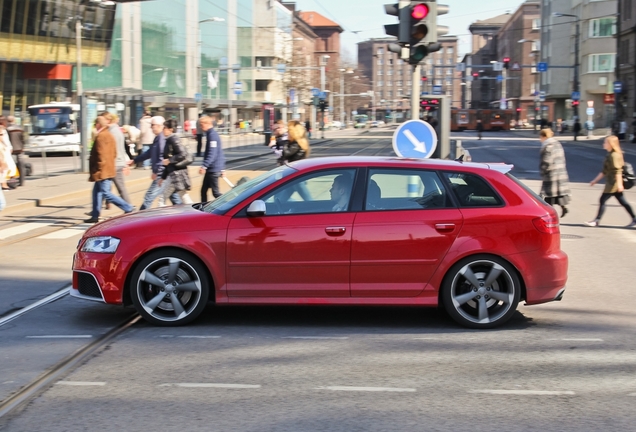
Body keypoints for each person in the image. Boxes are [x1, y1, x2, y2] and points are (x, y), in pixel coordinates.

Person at [85, 116, 135, 223]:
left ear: (98, 125)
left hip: (102, 170)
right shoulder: (109, 135)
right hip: (107, 169)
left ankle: (128, 207)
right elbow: (114, 153)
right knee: (97, 192)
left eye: (95, 125)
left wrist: (99, 167)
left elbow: (102, 156)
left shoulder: (102, 136)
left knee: (105, 193)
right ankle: (95, 215)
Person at [129, 116, 182, 210]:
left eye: (152, 125)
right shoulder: (158, 138)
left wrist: (157, 172)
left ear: (159, 126)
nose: (151, 127)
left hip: (162, 174)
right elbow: (150, 153)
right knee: (175, 198)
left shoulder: (161, 139)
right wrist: (135, 160)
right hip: (166, 174)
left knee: (149, 197)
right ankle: (185, 215)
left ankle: (141, 219)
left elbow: (163, 158)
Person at [584, 135, 636, 227]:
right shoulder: (610, 154)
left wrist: (619, 185)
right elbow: (605, 171)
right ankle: (635, 219)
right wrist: (595, 181)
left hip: (613, 183)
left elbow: (618, 171)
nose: (604, 144)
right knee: (623, 202)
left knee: (602, 200)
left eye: (605, 142)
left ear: (611, 144)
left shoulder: (614, 155)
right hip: (611, 182)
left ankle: (596, 220)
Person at [539, 128, 571, 218]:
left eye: (540, 137)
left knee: (548, 196)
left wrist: (543, 170)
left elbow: (546, 161)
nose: (540, 139)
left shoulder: (548, 146)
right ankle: (563, 207)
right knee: (558, 193)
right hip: (560, 171)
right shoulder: (557, 144)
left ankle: (549, 214)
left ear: (544, 137)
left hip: (551, 174)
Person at [101, 112, 132, 205]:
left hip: (114, 163)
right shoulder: (118, 130)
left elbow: (112, 150)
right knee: (103, 187)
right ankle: (98, 208)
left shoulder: (111, 132)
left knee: (119, 188)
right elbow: (122, 149)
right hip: (117, 163)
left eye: (103, 119)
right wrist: (125, 163)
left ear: (108, 120)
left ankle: (129, 207)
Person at [159, 119, 193, 204]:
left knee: (162, 197)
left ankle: (162, 216)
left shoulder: (173, 139)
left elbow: (182, 154)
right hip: (175, 173)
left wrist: (170, 160)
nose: (163, 129)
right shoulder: (169, 139)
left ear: (170, 129)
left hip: (175, 174)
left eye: (165, 127)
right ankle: (194, 213)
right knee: (183, 196)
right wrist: (163, 177)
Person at [199, 115, 225, 202]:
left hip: (213, 169)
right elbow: (219, 153)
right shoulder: (211, 134)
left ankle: (229, 204)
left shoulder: (212, 136)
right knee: (203, 191)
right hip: (213, 169)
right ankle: (203, 209)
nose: (200, 127)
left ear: (206, 124)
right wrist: (222, 168)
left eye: (201, 125)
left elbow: (212, 153)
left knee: (215, 193)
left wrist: (204, 166)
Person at [6, 116, 25, 186]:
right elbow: (23, 139)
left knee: (12, 166)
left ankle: (12, 182)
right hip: (20, 149)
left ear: (8, 121)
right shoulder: (20, 128)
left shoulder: (7, 129)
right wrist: (23, 146)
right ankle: (22, 181)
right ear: (14, 120)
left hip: (12, 150)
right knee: (21, 166)